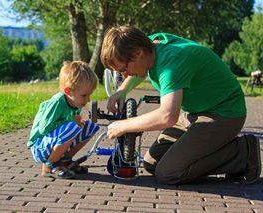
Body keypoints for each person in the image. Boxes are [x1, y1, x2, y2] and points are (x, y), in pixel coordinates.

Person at [100, 26, 261, 184]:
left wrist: (124, 125)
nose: (124, 75)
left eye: (124, 69)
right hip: (197, 112)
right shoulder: (149, 45)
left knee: (169, 172)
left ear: (138, 53)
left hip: (225, 112)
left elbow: (167, 116)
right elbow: (139, 71)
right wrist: (122, 90)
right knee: (151, 163)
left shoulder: (171, 63)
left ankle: (243, 153)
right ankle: (214, 151)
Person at [27, 61, 100, 179]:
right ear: (68, 91)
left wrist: (76, 123)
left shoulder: (74, 103)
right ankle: (49, 166)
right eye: (84, 95)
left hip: (50, 144)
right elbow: (44, 128)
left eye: (89, 95)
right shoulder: (57, 102)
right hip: (39, 147)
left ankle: (64, 161)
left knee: (89, 127)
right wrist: (71, 122)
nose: (88, 99)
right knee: (72, 126)